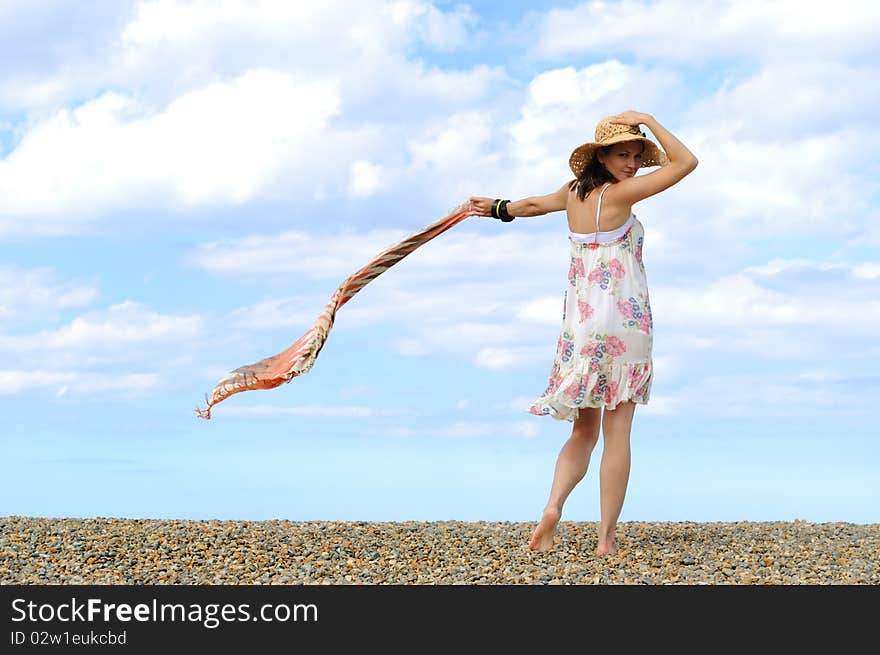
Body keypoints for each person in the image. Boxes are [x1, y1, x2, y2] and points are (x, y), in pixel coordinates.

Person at [468, 111, 698, 555]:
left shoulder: (572, 193)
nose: (632, 164)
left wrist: (496, 208)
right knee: (619, 432)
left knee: (581, 431)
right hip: (625, 323)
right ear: (602, 156)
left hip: (581, 326)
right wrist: (650, 119)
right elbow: (685, 162)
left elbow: (530, 206)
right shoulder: (623, 195)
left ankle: (552, 508)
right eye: (623, 154)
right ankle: (606, 539)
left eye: (636, 155)